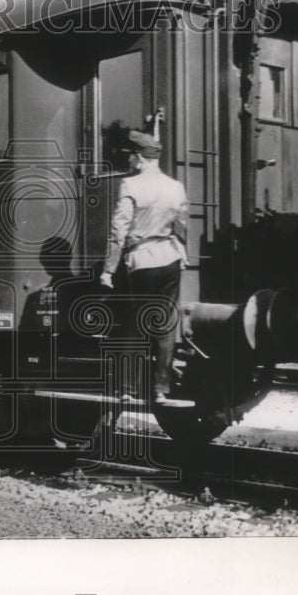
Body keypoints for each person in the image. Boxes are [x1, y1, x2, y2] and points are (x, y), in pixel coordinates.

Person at [99, 130, 188, 403]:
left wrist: (109, 269)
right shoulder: (176, 186)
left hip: (143, 260)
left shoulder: (130, 185)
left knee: (134, 323)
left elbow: (119, 230)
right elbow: (182, 223)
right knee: (164, 324)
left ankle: (127, 389)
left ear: (139, 158)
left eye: (131, 158)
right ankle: (161, 390)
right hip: (171, 257)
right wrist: (184, 254)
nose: (129, 163)